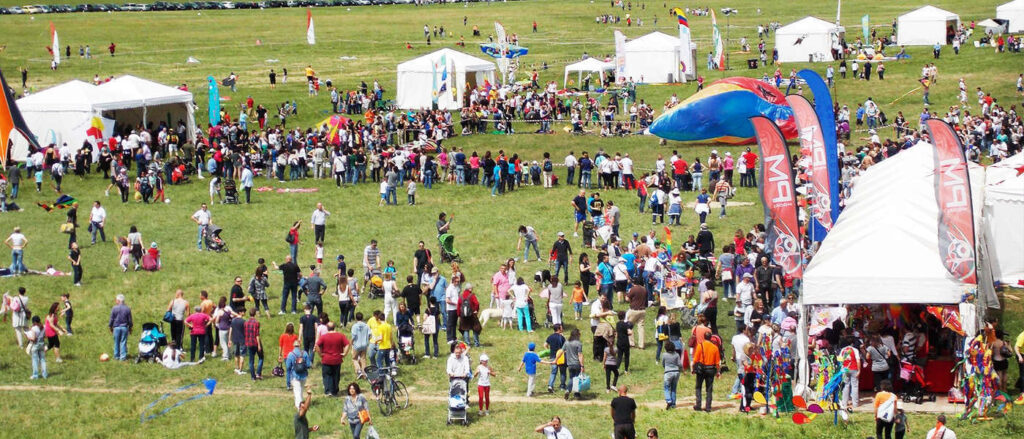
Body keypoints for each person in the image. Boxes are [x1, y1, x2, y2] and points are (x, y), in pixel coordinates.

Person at [316, 322, 349, 397]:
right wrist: (345, 353)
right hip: (337, 359)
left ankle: (328, 391)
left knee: (327, 375)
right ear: (334, 327)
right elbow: (347, 344)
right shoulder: (341, 335)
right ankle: (334, 391)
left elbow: (317, 345)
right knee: (336, 375)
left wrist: (320, 354)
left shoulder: (324, 337)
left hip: (326, 359)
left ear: (327, 328)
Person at [692, 334, 721, 412]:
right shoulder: (715, 348)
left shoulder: (700, 345)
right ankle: (708, 407)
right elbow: (718, 362)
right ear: (710, 338)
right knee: (709, 389)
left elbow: (695, 359)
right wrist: (718, 372)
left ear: (704, 337)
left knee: (698, 387)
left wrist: (693, 368)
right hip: (711, 369)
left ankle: (698, 405)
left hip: (701, 369)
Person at [286, 340, 312, 409]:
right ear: (300, 345)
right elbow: (309, 365)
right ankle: (300, 403)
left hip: (295, 376)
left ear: (293, 345)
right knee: (301, 390)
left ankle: (299, 407)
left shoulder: (291, 354)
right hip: (304, 375)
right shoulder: (305, 353)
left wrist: (288, 381)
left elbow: (288, 367)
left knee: (297, 391)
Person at [109, 294, 133, 361]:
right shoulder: (127, 308)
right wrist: (130, 328)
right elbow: (130, 320)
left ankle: (116, 356)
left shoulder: (114, 308)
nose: (115, 301)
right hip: (124, 327)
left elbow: (112, 319)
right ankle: (123, 357)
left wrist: (110, 326)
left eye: (116, 300)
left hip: (116, 328)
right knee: (123, 342)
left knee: (116, 342)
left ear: (118, 300)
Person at [564, 328, 585, 400]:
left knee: (571, 378)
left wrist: (556, 360)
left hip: (569, 364)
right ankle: (570, 391)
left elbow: (562, 351)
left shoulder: (566, 342)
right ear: (577, 335)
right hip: (577, 363)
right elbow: (580, 355)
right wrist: (582, 365)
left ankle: (575, 393)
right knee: (576, 379)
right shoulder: (578, 343)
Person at [245, 308, 264, 380]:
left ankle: (253, 377)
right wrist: (259, 345)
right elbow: (257, 335)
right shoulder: (256, 323)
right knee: (261, 358)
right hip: (255, 342)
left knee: (251, 361)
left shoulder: (246, 323)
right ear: (255, 313)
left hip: (248, 343)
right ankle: (258, 373)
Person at [661, 341, 681, 409]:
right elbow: (679, 364)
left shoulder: (664, 355)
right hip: (676, 372)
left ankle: (668, 400)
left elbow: (663, 364)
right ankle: (673, 404)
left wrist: (666, 368)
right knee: (673, 388)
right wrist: (683, 370)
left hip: (668, 372)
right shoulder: (676, 354)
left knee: (666, 388)